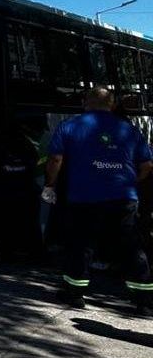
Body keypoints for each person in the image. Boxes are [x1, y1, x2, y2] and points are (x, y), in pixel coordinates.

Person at [43, 87, 153, 312]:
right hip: (123, 197)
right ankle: (143, 298)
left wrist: (50, 185)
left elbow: (55, 159)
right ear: (111, 104)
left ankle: (74, 294)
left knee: (80, 244)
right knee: (130, 245)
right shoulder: (129, 129)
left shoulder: (70, 126)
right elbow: (147, 165)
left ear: (85, 102)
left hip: (84, 197)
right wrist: (130, 182)